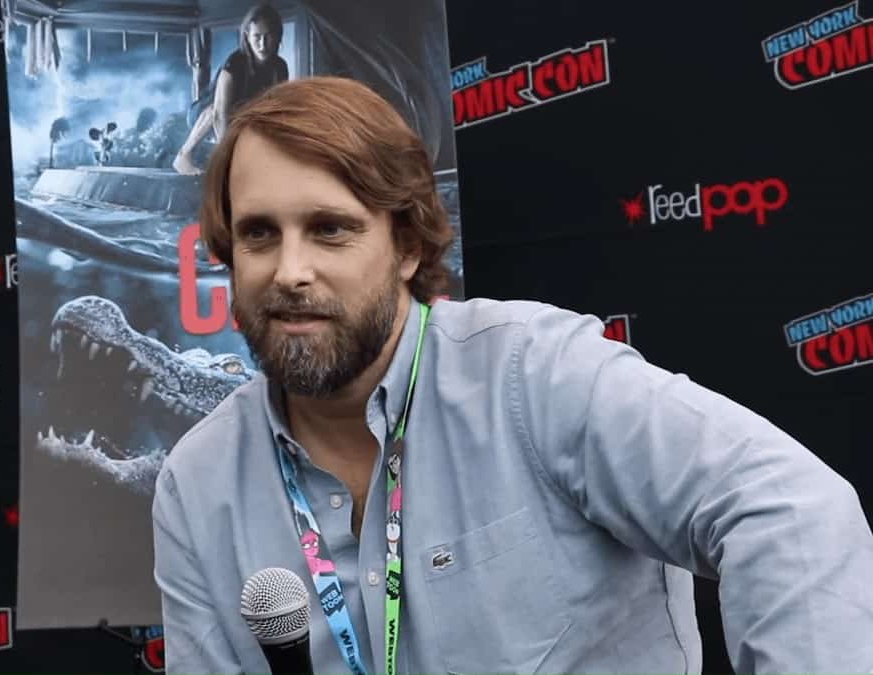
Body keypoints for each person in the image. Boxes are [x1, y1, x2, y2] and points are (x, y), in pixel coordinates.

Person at [151, 76, 873, 673]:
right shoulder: (198, 484)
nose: (290, 271)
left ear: (406, 247)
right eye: (259, 234)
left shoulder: (534, 374)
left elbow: (791, 510)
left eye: (330, 229)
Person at [172, 3, 288, 176]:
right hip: (205, 114)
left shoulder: (279, 67)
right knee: (216, 109)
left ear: (278, 36)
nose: (262, 44)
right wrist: (227, 161)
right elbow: (219, 115)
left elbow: (276, 111)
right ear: (247, 36)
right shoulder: (234, 64)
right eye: (257, 37)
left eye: (268, 36)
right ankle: (183, 155)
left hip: (242, 113)